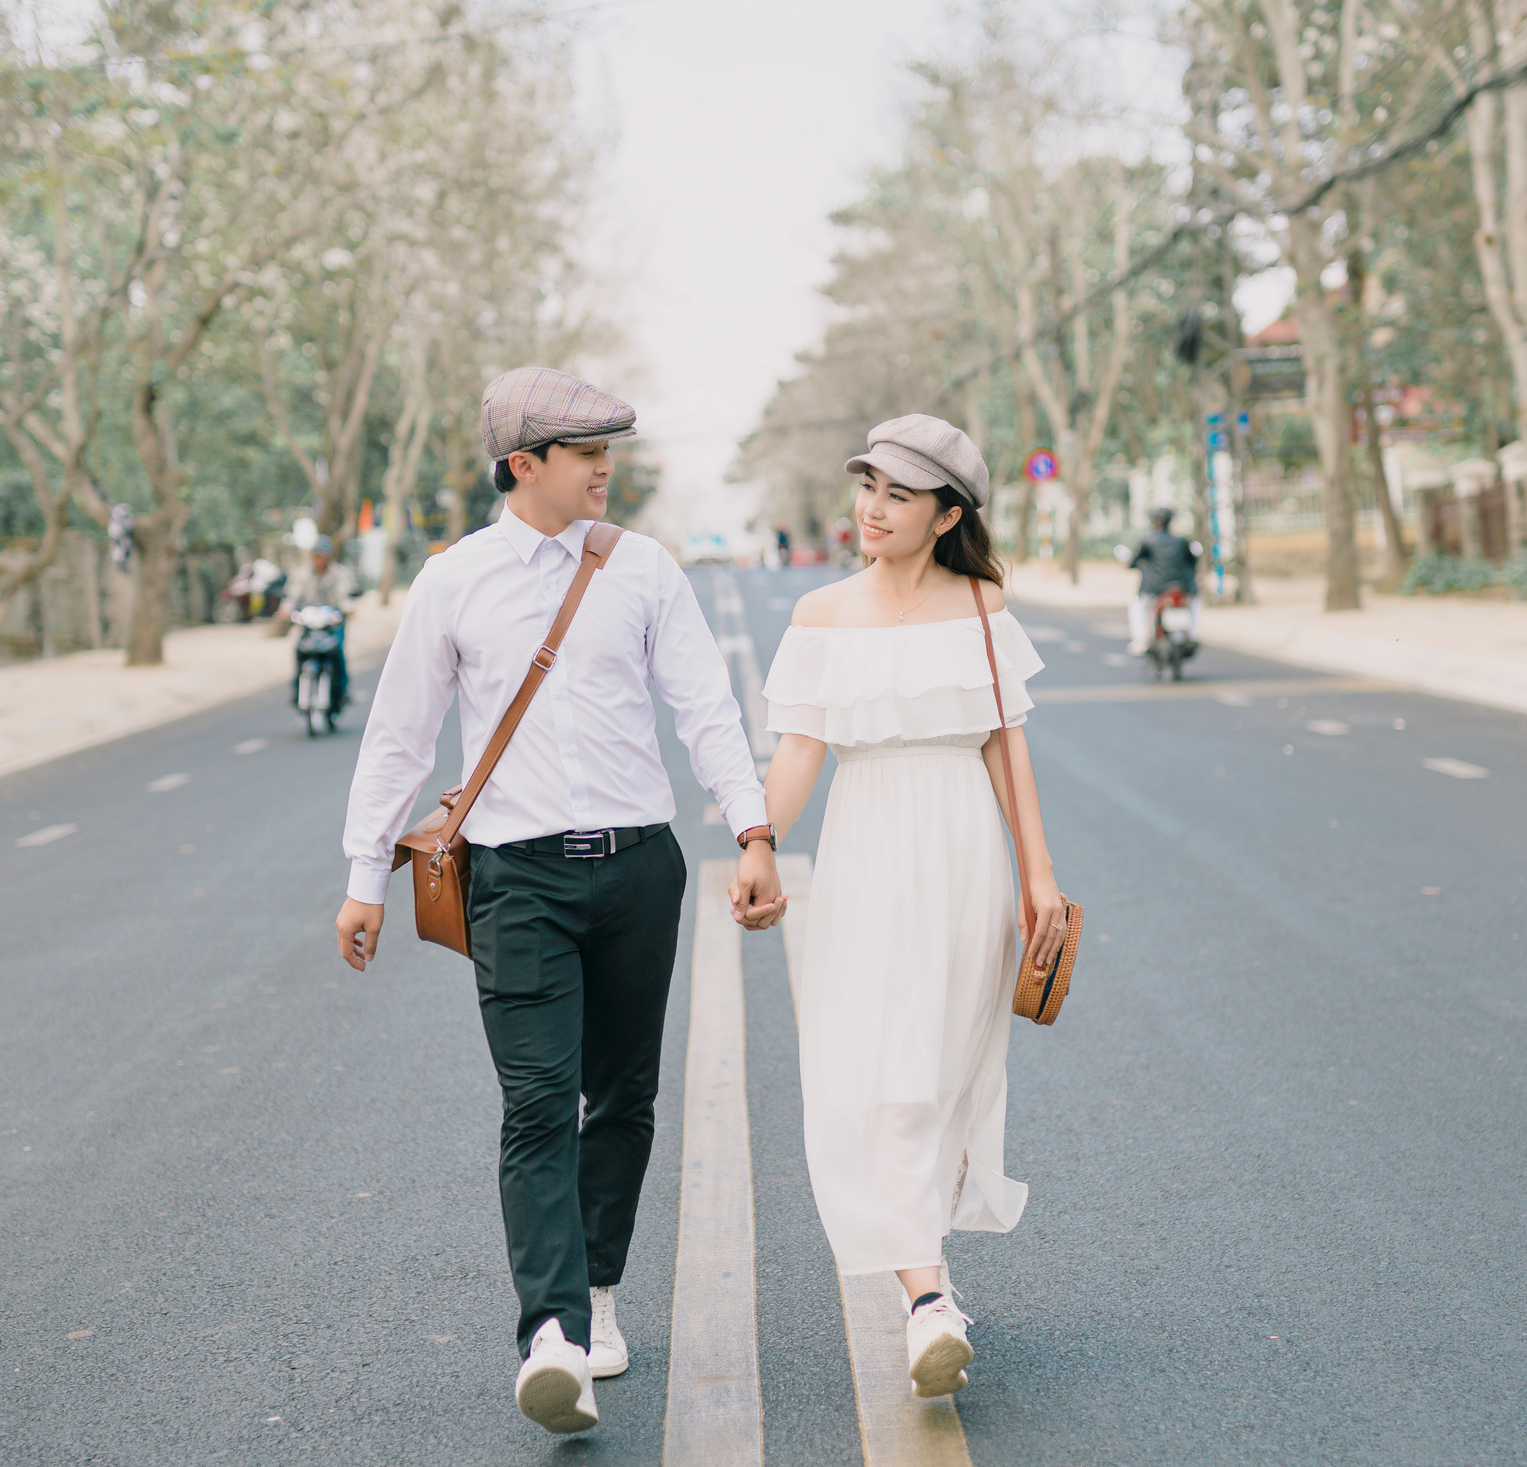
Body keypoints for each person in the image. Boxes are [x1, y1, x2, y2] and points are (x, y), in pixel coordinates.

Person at [332, 366, 787, 1437]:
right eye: (587, 452)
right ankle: (550, 1335)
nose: (606, 468)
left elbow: (705, 708)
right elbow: (399, 734)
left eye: (608, 450)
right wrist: (363, 878)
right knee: (538, 1100)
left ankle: (596, 1293)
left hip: (639, 868)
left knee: (622, 1095)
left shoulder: (643, 570)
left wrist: (752, 828)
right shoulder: (452, 580)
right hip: (516, 877)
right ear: (522, 465)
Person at [756, 413, 1070, 1400]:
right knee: (879, 1064)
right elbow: (798, 751)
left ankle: (924, 1270)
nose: (872, 509)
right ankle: (926, 1296)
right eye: (867, 488)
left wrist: (1039, 877)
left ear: (945, 514)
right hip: (863, 849)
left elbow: (1004, 748)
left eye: (898, 494)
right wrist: (756, 841)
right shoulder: (819, 613)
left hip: (965, 850)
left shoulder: (980, 605)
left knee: (942, 1064)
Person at [283, 536, 356, 707]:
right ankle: (297, 688)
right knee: (299, 651)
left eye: (322, 555)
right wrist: (286, 609)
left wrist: (347, 607)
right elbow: (292, 596)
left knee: (337, 651)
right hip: (309, 622)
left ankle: (343, 688)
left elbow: (345, 595)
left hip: (331, 622)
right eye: (316, 555)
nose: (319, 559)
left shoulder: (339, 574)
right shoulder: (302, 574)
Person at [1125, 506, 1198, 654]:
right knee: (1195, 604)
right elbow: (1193, 562)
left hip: (1154, 588)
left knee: (1137, 605)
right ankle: (1193, 635)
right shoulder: (1182, 541)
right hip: (1182, 586)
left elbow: (1134, 562)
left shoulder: (1148, 541)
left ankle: (1141, 639)